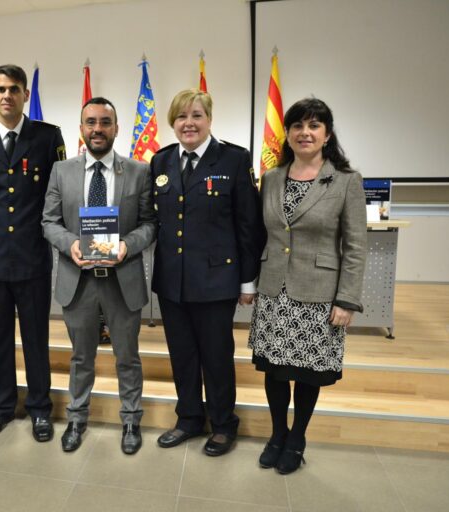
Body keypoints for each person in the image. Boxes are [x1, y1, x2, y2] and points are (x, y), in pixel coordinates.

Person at [248, 98, 367, 474]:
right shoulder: (271, 178)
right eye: (298, 125)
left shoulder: (346, 181)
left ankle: (297, 437)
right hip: (274, 291)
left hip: (319, 294)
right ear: (288, 133)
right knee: (275, 370)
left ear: (327, 134)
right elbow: (261, 235)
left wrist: (346, 299)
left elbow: (355, 246)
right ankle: (277, 434)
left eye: (314, 125)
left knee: (307, 372)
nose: (305, 132)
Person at [151, 89, 264, 456]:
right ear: (173, 123)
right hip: (173, 282)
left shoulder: (233, 160)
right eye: (181, 117)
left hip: (216, 281)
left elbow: (249, 227)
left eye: (196, 115)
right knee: (181, 355)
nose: (189, 123)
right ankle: (188, 419)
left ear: (209, 119)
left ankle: (223, 423)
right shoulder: (161, 161)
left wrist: (247, 281)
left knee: (216, 357)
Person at [42, 97, 157, 454]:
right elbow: (49, 221)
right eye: (90, 122)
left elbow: (151, 224)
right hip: (79, 281)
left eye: (105, 122)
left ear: (116, 128)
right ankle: (77, 418)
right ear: (81, 129)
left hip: (122, 277)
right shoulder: (61, 171)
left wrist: (127, 245)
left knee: (127, 356)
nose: (97, 129)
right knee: (80, 357)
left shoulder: (139, 171)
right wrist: (71, 244)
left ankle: (131, 420)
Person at [0, 64, 65, 442]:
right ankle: (2, 407)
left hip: (32, 255)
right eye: (1, 89)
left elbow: (56, 193)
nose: (7, 95)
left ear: (24, 95)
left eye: (14, 89)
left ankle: (40, 409)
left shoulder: (47, 135)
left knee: (36, 338)